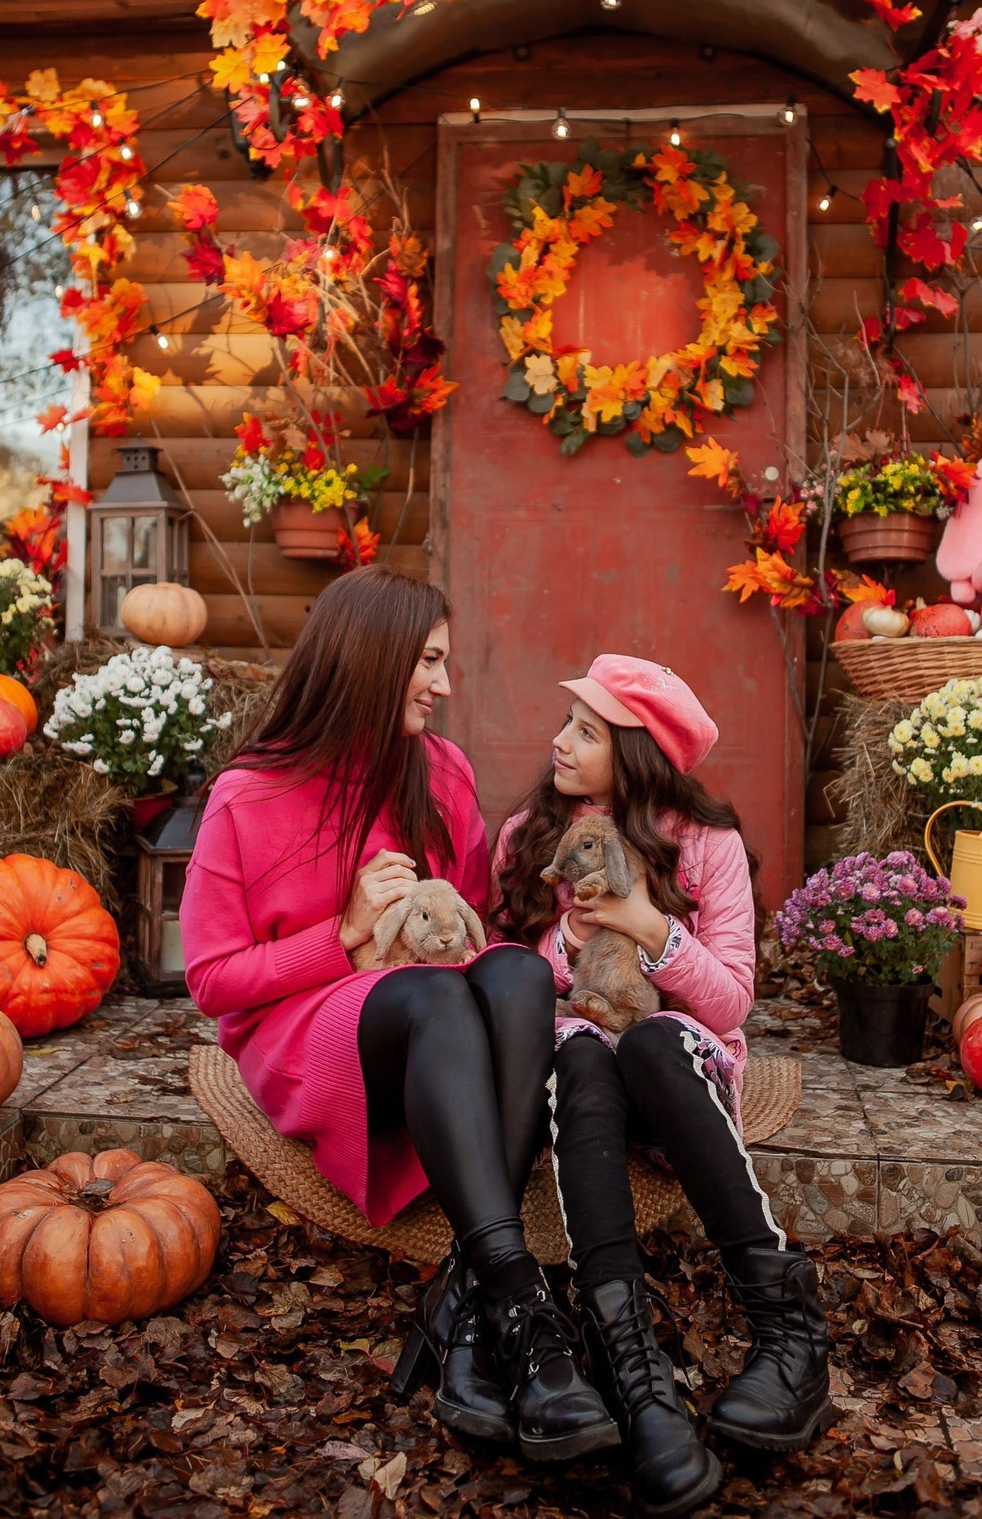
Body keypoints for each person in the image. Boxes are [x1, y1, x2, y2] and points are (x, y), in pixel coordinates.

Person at [181, 567, 617, 1463]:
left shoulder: (441, 773)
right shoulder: (249, 796)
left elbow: (469, 931)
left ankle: (473, 1302)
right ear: (371, 659)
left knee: (514, 981)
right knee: (435, 994)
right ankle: (520, 1297)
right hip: (303, 1031)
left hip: (428, 1014)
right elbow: (214, 980)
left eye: (445, 662)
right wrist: (342, 938)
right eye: (428, 661)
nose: (445, 685)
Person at [493, 654, 831, 1516]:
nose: (558, 742)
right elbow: (499, 978)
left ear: (637, 752)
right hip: (581, 1074)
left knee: (646, 1042)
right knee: (582, 1053)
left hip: (676, 1071)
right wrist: (564, 949)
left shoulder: (705, 842)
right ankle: (632, 1369)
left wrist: (651, 930)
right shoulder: (530, 833)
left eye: (586, 731)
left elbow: (733, 1001)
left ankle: (787, 1331)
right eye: (568, 722)